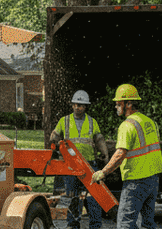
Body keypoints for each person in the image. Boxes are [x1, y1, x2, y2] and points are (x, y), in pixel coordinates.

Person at [92, 84, 162, 229]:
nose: (116, 107)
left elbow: (120, 154)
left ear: (129, 104)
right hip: (153, 179)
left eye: (119, 104)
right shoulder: (150, 122)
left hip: (136, 181)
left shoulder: (127, 125)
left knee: (125, 224)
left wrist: (103, 172)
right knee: (148, 224)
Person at [50, 90, 109, 229]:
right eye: (76, 104)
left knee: (94, 198)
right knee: (72, 198)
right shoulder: (64, 121)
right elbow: (54, 135)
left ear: (85, 106)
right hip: (70, 167)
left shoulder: (92, 122)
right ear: (72, 105)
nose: (78, 107)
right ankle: (73, 225)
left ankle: (95, 226)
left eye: (81, 105)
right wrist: (54, 144)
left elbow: (99, 139)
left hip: (89, 165)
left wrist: (105, 154)